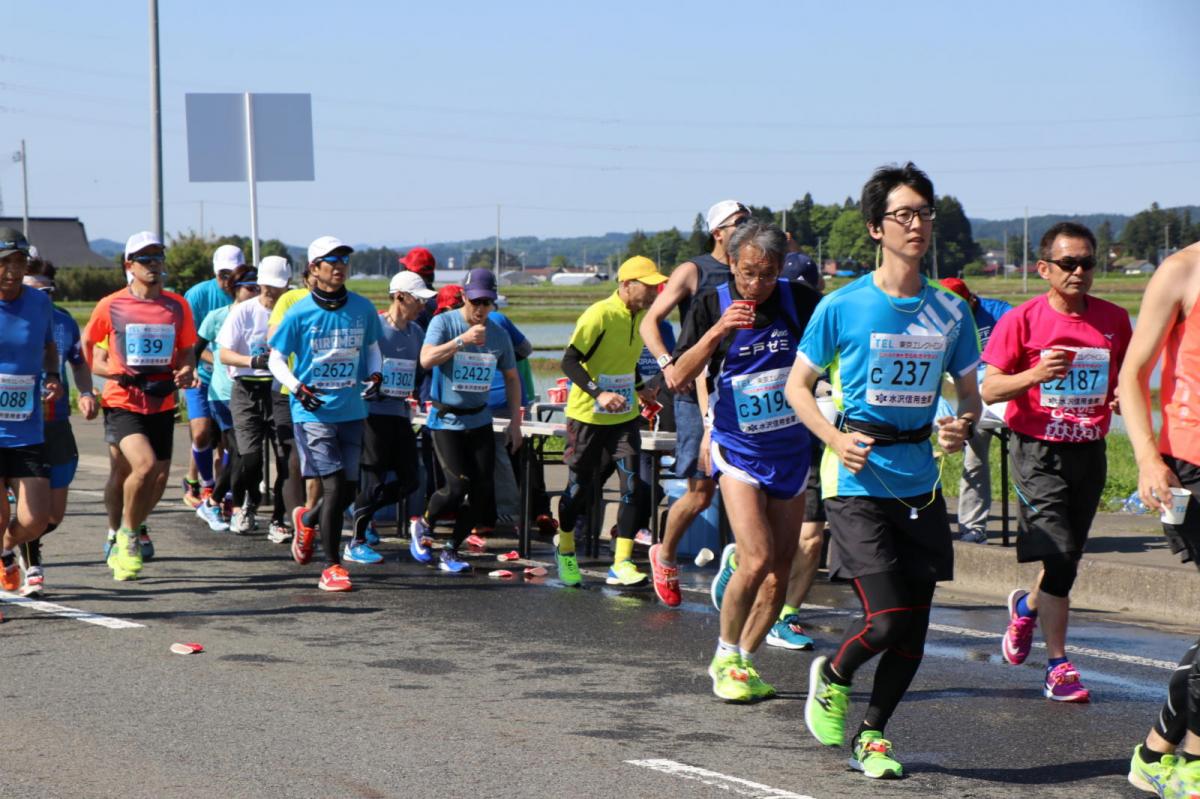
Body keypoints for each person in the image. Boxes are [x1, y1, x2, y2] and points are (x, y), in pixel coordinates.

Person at [786, 163, 980, 779]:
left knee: (914, 633)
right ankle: (835, 672)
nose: (917, 224)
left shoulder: (949, 312)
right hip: (856, 480)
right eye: (903, 214)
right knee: (886, 617)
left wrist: (960, 424)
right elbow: (798, 387)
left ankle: (872, 736)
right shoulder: (843, 307)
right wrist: (835, 438)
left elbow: (970, 396)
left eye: (925, 213)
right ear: (876, 228)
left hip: (919, 481)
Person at [981, 221, 1131, 703]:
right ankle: (1058, 664)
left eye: (1087, 262)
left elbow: (1123, 380)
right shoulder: (1021, 320)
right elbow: (989, 388)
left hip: (1090, 450)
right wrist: (1035, 374)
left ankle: (1026, 605)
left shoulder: (1113, 319)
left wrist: (1121, 400)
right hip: (1037, 451)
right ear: (1044, 268)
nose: (1079, 272)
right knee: (1060, 555)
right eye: (1068, 263)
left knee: (1066, 557)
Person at [671, 223, 820, 701]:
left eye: (768, 274)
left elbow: (835, 357)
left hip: (791, 451)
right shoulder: (711, 303)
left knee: (780, 567)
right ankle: (723, 651)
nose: (756, 285)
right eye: (749, 272)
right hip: (738, 450)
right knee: (755, 559)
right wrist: (718, 331)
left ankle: (746, 661)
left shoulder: (800, 302)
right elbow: (677, 377)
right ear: (732, 263)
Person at [1119, 240, 1200, 797]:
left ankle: (1155, 751)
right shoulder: (1183, 270)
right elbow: (1133, 375)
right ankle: (1190, 764)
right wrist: (1147, 457)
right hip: (1190, 469)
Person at [641, 200, 749, 605]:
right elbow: (650, 321)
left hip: (740, 388)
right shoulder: (694, 270)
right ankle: (664, 552)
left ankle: (740, 562)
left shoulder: (749, 271)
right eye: (738, 223)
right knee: (701, 491)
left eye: (750, 221)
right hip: (694, 387)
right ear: (718, 232)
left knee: (752, 484)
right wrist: (667, 363)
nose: (746, 228)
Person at [268, 235, 383, 592]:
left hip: (351, 408)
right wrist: (298, 387)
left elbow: (374, 349)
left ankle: (307, 519)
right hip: (312, 411)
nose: (339, 268)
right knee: (333, 486)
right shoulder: (299, 312)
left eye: (344, 261)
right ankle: (331, 566)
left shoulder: (362, 308)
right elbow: (275, 359)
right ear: (313, 269)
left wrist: (376, 374)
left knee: (348, 490)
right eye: (331, 262)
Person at [84, 231, 198, 581]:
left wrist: (186, 368)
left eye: (158, 258)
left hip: (162, 399)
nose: (153, 265)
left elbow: (187, 348)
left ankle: (133, 525)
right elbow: (89, 349)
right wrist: (109, 372)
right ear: (129, 265)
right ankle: (122, 534)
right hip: (123, 400)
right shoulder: (111, 305)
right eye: (145, 259)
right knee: (138, 467)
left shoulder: (177, 305)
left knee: (159, 476)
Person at [555, 256, 665, 588]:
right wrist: (599, 393)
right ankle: (566, 546)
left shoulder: (641, 317)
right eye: (648, 286)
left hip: (624, 417)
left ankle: (622, 563)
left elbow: (624, 363)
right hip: (588, 417)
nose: (654, 292)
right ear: (626, 284)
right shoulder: (599, 314)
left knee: (634, 486)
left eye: (656, 286)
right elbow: (569, 362)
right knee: (578, 488)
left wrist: (640, 389)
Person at [410, 269, 522, 573]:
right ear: (463, 297)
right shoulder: (443, 322)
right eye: (475, 302)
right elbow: (425, 359)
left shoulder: (498, 334)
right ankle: (424, 523)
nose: (481, 309)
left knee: (484, 492)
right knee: (457, 487)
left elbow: (512, 378)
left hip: (480, 420)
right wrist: (461, 341)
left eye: (487, 303)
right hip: (446, 420)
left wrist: (515, 423)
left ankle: (451, 549)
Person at [16, 270, 98, 596]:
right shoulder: (9, 318)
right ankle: (30, 560)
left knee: (53, 514)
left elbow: (78, 362)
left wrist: (88, 393)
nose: (41, 297)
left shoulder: (64, 322)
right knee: (26, 503)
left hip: (57, 421)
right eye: (33, 290)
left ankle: (18, 542)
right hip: (17, 424)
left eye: (46, 291)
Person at [345, 270, 432, 564]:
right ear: (399, 297)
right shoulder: (375, 328)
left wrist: (419, 392)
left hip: (400, 412)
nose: (422, 306)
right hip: (372, 413)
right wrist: (368, 385)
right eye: (418, 300)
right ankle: (355, 540)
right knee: (373, 479)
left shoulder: (417, 333)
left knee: (411, 478)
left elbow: (419, 372)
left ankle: (357, 508)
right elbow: (355, 367)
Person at [766, 257, 827, 650]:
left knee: (811, 538)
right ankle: (744, 565)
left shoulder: (829, 322)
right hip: (769, 443)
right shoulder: (763, 323)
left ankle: (787, 616)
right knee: (770, 540)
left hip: (817, 439)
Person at [0, 228, 63, 593]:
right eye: (5, 262)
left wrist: (52, 374)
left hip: (26, 427)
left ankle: (7, 549)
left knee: (37, 518)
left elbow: (49, 346)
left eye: (19, 262)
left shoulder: (39, 303)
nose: (12, 270)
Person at [217, 257, 291, 535]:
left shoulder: (290, 311)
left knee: (286, 458)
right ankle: (248, 503)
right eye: (267, 286)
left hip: (279, 390)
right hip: (246, 389)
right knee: (250, 459)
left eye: (277, 287)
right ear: (259, 283)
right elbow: (224, 353)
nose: (271, 293)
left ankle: (279, 519)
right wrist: (252, 361)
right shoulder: (243, 311)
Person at [939, 276, 1013, 543]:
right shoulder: (942, 319)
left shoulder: (1000, 313)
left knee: (1025, 459)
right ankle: (973, 527)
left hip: (1006, 394)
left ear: (971, 299)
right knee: (973, 458)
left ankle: (1037, 527)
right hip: (971, 398)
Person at [193, 264, 262, 533]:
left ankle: (218, 502)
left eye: (258, 287)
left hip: (253, 392)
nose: (255, 291)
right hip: (222, 394)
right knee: (238, 452)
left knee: (244, 455)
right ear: (235, 289)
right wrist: (192, 372)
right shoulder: (217, 316)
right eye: (250, 287)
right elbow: (195, 349)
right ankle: (221, 503)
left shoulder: (261, 317)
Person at [181, 244, 238, 509]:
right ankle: (203, 484)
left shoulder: (247, 294)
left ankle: (225, 489)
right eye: (222, 274)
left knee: (228, 440)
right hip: (201, 375)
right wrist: (213, 359)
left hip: (232, 380)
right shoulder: (198, 295)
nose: (227, 281)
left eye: (233, 274)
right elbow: (188, 340)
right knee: (201, 431)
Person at [267, 266, 321, 543]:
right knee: (293, 456)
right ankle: (294, 519)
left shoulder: (340, 304)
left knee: (317, 458)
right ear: (308, 277)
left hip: (321, 391)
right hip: (287, 389)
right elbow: (274, 338)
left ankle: (311, 515)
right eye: (315, 278)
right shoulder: (290, 300)